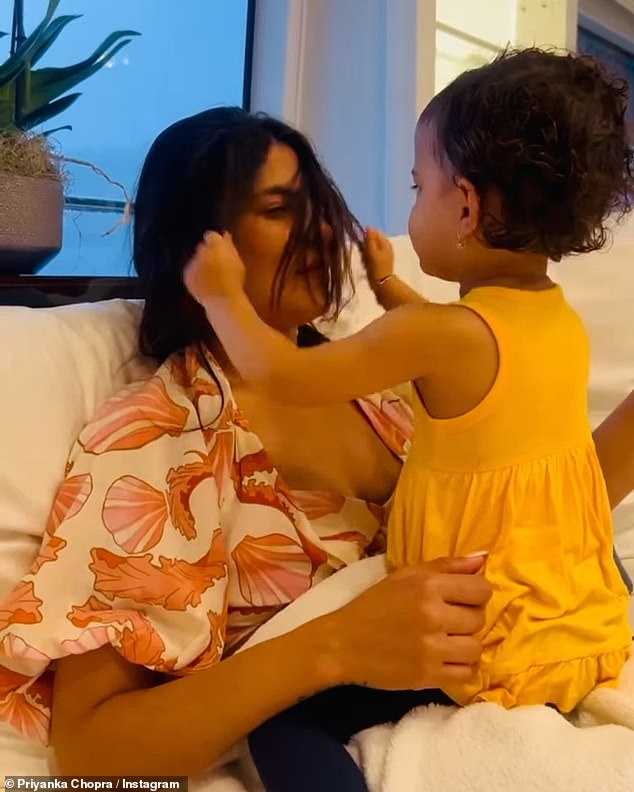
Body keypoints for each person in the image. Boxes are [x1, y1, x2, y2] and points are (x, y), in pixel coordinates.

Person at [0, 104, 631, 787]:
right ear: (198, 247)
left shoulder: (389, 395)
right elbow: (91, 752)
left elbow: (538, 508)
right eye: (280, 208)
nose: (323, 229)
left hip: (517, 677)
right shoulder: (160, 444)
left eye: (321, 205)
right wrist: (335, 647)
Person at [183, 50, 634, 791]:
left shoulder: (444, 336)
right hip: (573, 614)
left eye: (418, 187)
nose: (411, 202)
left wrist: (222, 297)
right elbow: (451, 350)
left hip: (485, 632)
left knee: (277, 724)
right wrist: (389, 282)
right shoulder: (551, 320)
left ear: (465, 207)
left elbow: (284, 373)